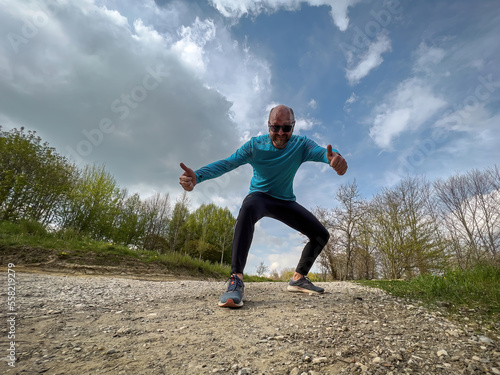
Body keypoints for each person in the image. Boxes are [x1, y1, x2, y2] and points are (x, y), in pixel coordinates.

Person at [179, 104, 347, 308]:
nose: (280, 133)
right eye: (275, 127)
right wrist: (198, 175)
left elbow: (324, 154)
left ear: (293, 127)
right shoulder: (255, 146)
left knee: (321, 234)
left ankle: (298, 278)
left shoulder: (301, 145)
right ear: (268, 125)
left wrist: (334, 158)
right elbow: (228, 163)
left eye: (286, 128)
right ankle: (236, 279)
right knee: (248, 207)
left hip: (285, 201)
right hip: (260, 197)